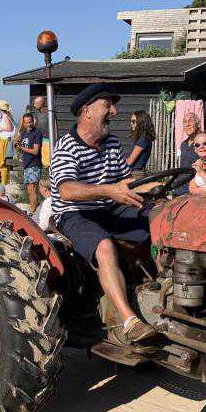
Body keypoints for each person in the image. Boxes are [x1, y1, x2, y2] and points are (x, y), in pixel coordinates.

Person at [51, 83, 158, 344]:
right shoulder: (66, 147)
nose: (114, 111)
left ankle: (163, 290)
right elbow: (67, 190)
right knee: (104, 247)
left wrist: (157, 187)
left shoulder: (110, 142)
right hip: (74, 214)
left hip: (107, 208)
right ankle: (129, 321)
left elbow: (125, 181)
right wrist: (110, 191)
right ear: (87, 111)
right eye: (107, 105)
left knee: (162, 221)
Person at [18, 112, 43, 213]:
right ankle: (32, 207)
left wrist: (21, 147)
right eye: (26, 123)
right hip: (26, 164)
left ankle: (33, 210)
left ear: (33, 121)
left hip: (34, 164)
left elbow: (35, 151)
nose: (29, 124)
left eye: (30, 122)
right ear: (23, 123)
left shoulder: (37, 132)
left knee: (32, 189)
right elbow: (18, 137)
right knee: (29, 190)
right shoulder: (24, 132)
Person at [175, 112, 201, 195]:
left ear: (197, 123)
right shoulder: (183, 144)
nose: (187, 124)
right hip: (180, 186)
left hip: (193, 188)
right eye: (185, 122)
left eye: (190, 121)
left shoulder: (202, 143)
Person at [125, 110, 155, 178]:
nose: (131, 124)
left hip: (135, 174)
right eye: (131, 122)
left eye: (133, 121)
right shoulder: (144, 137)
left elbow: (130, 161)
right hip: (136, 173)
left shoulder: (143, 139)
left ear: (141, 122)